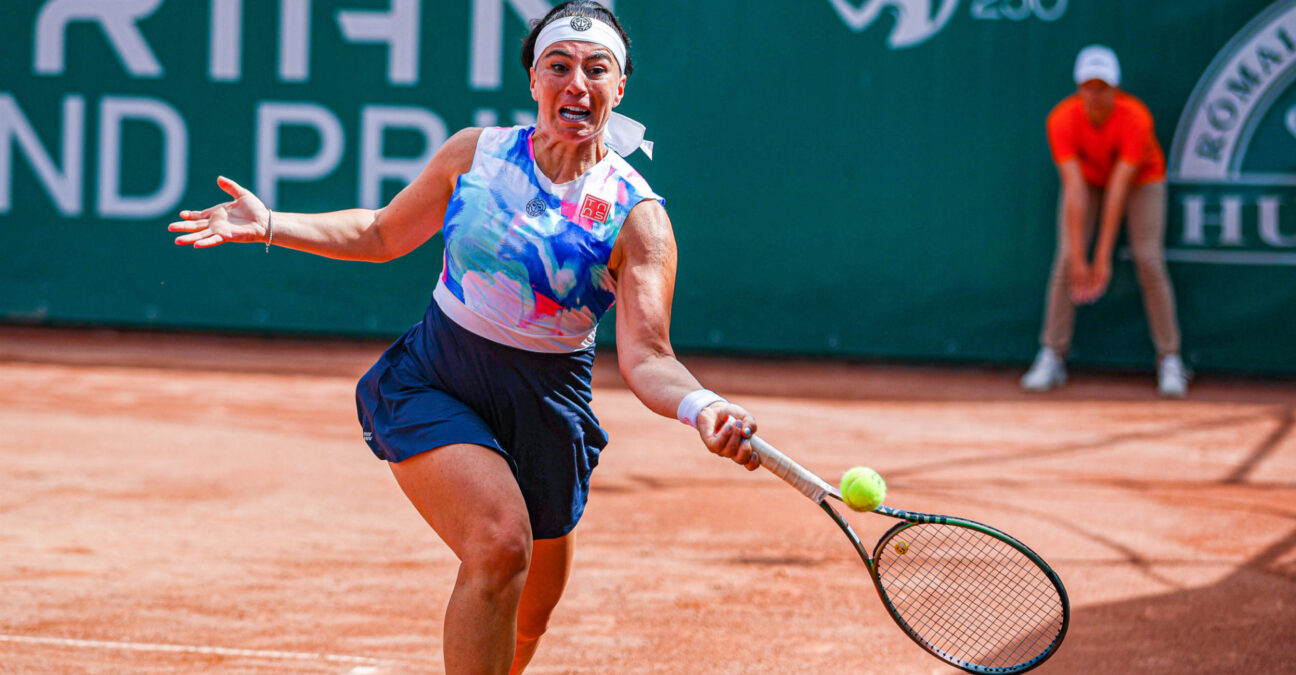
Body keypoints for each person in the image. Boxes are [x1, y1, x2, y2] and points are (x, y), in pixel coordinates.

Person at [168, 2, 760, 672]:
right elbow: (382, 233)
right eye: (558, 66)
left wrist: (701, 405)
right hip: (438, 377)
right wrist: (274, 222)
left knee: (530, 608)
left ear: (617, 89)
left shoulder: (638, 217)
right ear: (533, 80)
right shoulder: (474, 155)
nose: (577, 83)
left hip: (546, 407)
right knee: (500, 542)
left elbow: (650, 357)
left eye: (597, 70)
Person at [1021, 44, 1188, 398]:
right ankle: (1052, 354)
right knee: (1066, 259)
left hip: (1142, 180)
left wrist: (1102, 260)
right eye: (1089, 86)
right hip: (1088, 181)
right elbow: (1074, 188)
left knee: (1147, 257)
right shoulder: (1061, 120)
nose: (1096, 94)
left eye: (1103, 86)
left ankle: (1170, 359)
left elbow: (1119, 189)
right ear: (1078, 88)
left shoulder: (1136, 118)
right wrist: (1081, 258)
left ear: (1116, 88)